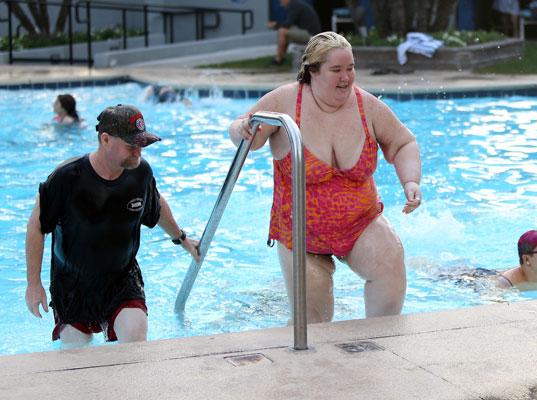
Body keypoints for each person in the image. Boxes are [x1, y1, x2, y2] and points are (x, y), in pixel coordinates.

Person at [229, 32, 422, 323]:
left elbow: (403, 142)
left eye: (350, 68)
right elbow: (246, 135)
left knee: (389, 261)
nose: (346, 77)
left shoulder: (365, 105)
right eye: (336, 70)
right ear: (312, 71)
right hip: (301, 232)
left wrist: (411, 181)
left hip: (360, 222)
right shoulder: (285, 102)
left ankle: (380, 345)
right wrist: (242, 128)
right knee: (314, 324)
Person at [25, 104, 200, 347]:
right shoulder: (67, 178)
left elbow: (156, 206)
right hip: (72, 286)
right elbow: (36, 226)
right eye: (131, 145)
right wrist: (33, 283)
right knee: (77, 354)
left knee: (135, 340)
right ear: (105, 140)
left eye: (142, 144)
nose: (138, 152)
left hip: (121, 279)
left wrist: (182, 239)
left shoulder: (140, 174)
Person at [268, 0, 322, 65]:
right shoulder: (295, 4)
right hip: (309, 32)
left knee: (282, 32)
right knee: (284, 32)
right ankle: (281, 57)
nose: (280, 3)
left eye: (281, 1)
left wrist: (275, 25)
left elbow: (287, 24)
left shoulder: (294, 5)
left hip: (311, 35)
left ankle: (278, 60)